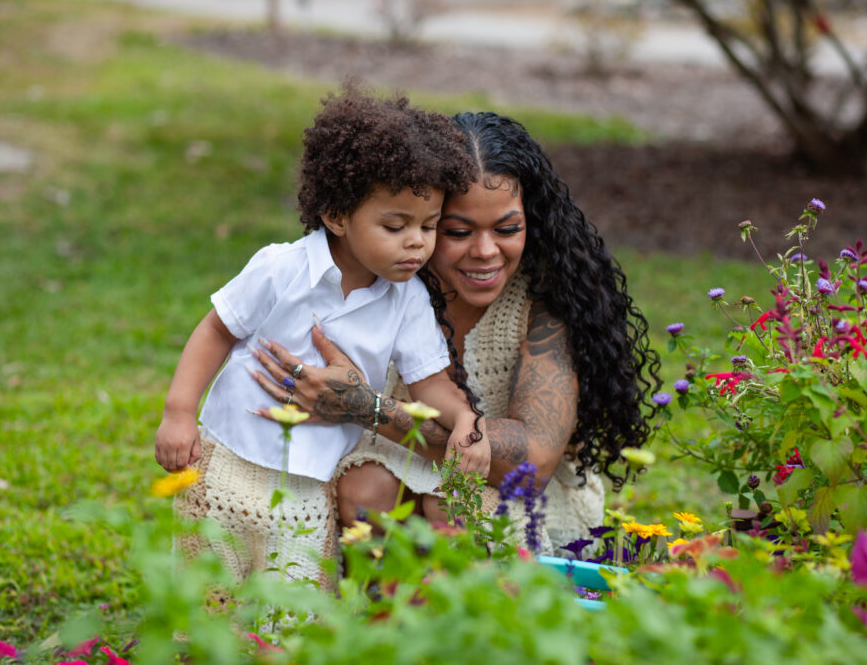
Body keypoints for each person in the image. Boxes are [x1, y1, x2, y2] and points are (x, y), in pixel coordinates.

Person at [252, 111, 660, 554]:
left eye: (507, 229)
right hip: (389, 465)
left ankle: (469, 616)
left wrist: (366, 408)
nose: (485, 252)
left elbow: (534, 462)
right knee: (365, 490)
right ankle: (382, 614)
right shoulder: (384, 285)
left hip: (520, 499)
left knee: (451, 507)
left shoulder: (543, 305)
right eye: (458, 232)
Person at [157, 88, 489, 589]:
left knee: (291, 606)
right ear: (337, 215)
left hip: (308, 486)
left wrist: (464, 416)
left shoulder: (408, 301)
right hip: (226, 459)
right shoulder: (281, 268)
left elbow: (431, 383)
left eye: (430, 225)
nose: (418, 242)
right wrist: (179, 414)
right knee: (209, 592)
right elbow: (215, 330)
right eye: (396, 225)